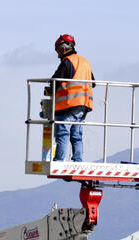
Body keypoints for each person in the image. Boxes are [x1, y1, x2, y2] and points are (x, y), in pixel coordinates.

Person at [50, 34, 95, 162]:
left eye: (58, 51)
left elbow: (55, 82)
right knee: (76, 135)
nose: (58, 55)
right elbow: (93, 82)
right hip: (84, 106)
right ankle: (78, 160)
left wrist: (49, 90)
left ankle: (59, 160)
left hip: (69, 105)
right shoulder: (85, 62)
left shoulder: (67, 62)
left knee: (63, 133)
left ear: (63, 49)